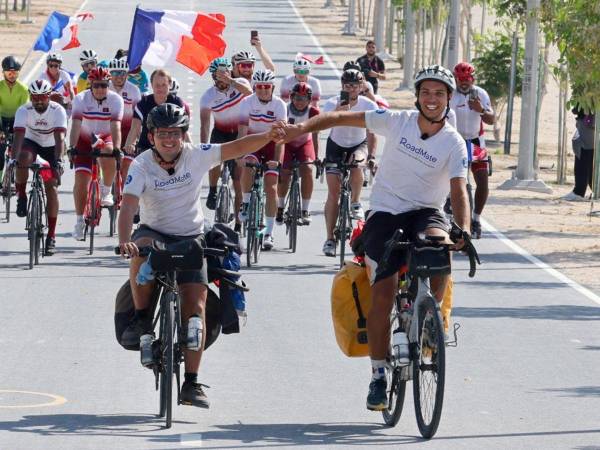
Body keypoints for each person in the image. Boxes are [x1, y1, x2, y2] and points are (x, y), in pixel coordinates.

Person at [279, 64, 470, 412]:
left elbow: (459, 189)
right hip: (385, 211)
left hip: (426, 211)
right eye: (426, 92)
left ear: (449, 99)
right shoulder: (397, 121)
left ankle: (432, 322)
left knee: (443, 245)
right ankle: (379, 375)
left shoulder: (455, 143)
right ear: (418, 97)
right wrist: (303, 127)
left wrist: (464, 228)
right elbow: (339, 118)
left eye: (439, 93)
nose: (432, 99)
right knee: (381, 296)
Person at [117, 103, 283, 408]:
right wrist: (125, 240)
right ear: (151, 136)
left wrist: (269, 135)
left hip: (191, 235)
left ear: (183, 135)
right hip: (153, 232)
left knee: (196, 309)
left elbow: (238, 146)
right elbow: (128, 206)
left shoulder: (197, 154)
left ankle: (191, 383)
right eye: (163, 134)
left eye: (175, 133)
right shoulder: (140, 165)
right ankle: (141, 319)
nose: (169, 139)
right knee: (139, 252)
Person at [320, 69, 378, 256]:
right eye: (347, 86)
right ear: (342, 86)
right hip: (335, 146)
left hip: (358, 145)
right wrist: (339, 110)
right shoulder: (332, 103)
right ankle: (330, 238)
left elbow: (371, 132)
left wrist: (372, 156)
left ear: (361, 86)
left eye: (355, 85)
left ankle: (355, 201)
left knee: (357, 163)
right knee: (333, 194)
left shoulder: (368, 104)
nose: (351, 89)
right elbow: (324, 123)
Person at [13, 80, 67, 255]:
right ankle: (21, 195)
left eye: (42, 98)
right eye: (35, 97)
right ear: (31, 97)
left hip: (52, 148)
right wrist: (14, 159)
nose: (38, 101)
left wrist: (58, 161)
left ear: (49, 96)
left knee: (51, 187)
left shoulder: (57, 111)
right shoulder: (24, 110)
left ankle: (51, 235)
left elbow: (60, 139)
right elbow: (19, 137)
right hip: (31, 142)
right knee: (23, 158)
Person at [69, 67, 124, 240]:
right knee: (81, 182)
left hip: (105, 136)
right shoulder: (80, 99)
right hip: (84, 139)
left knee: (109, 152)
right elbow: (76, 124)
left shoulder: (116, 100)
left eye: (104, 85)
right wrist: (71, 147)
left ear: (108, 85)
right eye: (96, 85)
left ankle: (106, 191)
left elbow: (116, 126)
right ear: (90, 85)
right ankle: (79, 221)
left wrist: (117, 148)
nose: (100, 89)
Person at [200, 57, 252, 231]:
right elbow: (205, 125)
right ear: (212, 77)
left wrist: (230, 81)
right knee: (213, 156)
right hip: (220, 133)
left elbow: (250, 93)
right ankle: (213, 190)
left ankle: (238, 223)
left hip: (239, 134)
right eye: (217, 77)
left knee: (238, 180)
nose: (221, 80)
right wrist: (202, 147)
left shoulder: (240, 83)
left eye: (224, 75)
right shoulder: (208, 95)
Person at [237, 69, 287, 250]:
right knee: (248, 165)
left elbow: (282, 136)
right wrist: (241, 154)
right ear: (255, 87)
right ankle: (246, 201)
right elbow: (242, 131)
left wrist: (277, 161)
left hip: (273, 144)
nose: (263, 90)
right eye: (259, 87)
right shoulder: (246, 102)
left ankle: (268, 232)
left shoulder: (280, 105)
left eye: (266, 87)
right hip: (253, 142)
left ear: (272, 87)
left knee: (271, 187)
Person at [449, 62, 495, 238]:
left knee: (482, 181)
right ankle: (453, 207)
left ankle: (476, 219)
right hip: (456, 141)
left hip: (476, 142)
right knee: (461, 181)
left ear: (472, 79)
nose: (463, 83)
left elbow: (492, 120)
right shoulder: (451, 95)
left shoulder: (480, 94)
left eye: (467, 79)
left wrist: (481, 109)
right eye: (460, 79)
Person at [277, 82, 320, 225]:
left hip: (304, 143)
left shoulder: (314, 112)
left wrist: (317, 157)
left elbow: (315, 136)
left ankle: (305, 209)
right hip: (287, 144)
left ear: (309, 100)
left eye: (303, 98)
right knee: (284, 172)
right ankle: (280, 207)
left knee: (308, 169)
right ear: (291, 97)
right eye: (296, 98)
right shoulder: (284, 109)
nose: (299, 101)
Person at [123, 69, 191, 156]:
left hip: (170, 147)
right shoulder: (143, 103)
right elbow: (134, 128)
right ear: (151, 85)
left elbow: (184, 129)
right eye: (157, 85)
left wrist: (191, 148)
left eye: (163, 85)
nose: (160, 88)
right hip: (147, 149)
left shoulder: (177, 102)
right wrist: (129, 145)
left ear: (169, 85)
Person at [108, 58, 141, 178]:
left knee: (126, 164)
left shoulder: (134, 90)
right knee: (103, 160)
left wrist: (139, 139)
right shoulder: (104, 88)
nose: (119, 76)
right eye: (115, 73)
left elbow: (139, 117)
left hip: (128, 131)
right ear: (110, 74)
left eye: (122, 73)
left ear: (127, 74)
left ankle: (122, 192)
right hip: (108, 130)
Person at [0, 56, 29, 181]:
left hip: (16, 119)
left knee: (18, 149)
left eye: (15, 73)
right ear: (3, 73)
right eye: (9, 73)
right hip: (1, 119)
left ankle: (15, 177)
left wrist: (19, 130)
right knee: (0, 153)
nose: (12, 75)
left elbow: (24, 111)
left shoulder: (23, 89)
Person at [563, 108, 595, 201]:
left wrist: (586, 114)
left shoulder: (593, 100)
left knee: (583, 166)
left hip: (588, 138)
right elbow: (575, 110)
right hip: (586, 136)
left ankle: (579, 192)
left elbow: (591, 121)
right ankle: (582, 191)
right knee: (588, 168)